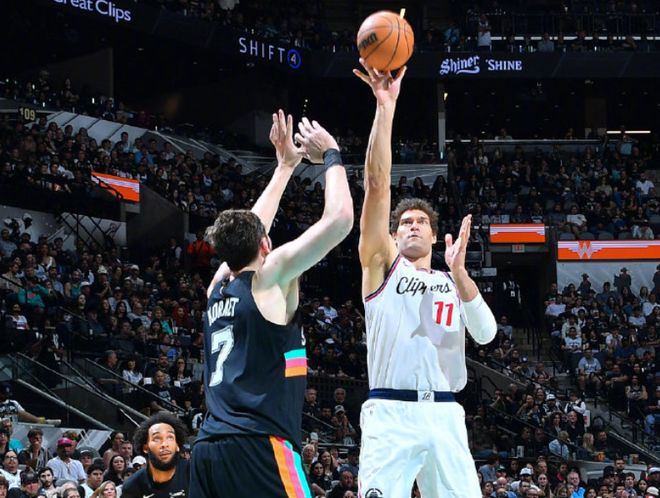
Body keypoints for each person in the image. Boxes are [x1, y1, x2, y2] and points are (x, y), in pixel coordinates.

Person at [189, 110, 353, 498]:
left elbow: (248, 229)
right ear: (265, 245)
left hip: (208, 449)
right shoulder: (269, 277)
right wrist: (332, 154)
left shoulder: (217, 287)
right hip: (259, 446)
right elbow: (341, 219)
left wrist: (285, 168)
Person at [353, 58, 496, 498]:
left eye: (421, 222)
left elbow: (486, 334)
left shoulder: (452, 281)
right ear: (393, 236)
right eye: (404, 223)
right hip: (391, 412)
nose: (412, 226)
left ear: (434, 234)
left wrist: (460, 273)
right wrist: (385, 106)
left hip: (445, 414)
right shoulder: (382, 265)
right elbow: (377, 184)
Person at [121, 413, 189, 498]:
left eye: (170, 437)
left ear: (177, 446)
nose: (164, 444)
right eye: (157, 438)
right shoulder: (132, 486)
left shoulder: (194, 473)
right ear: (145, 448)